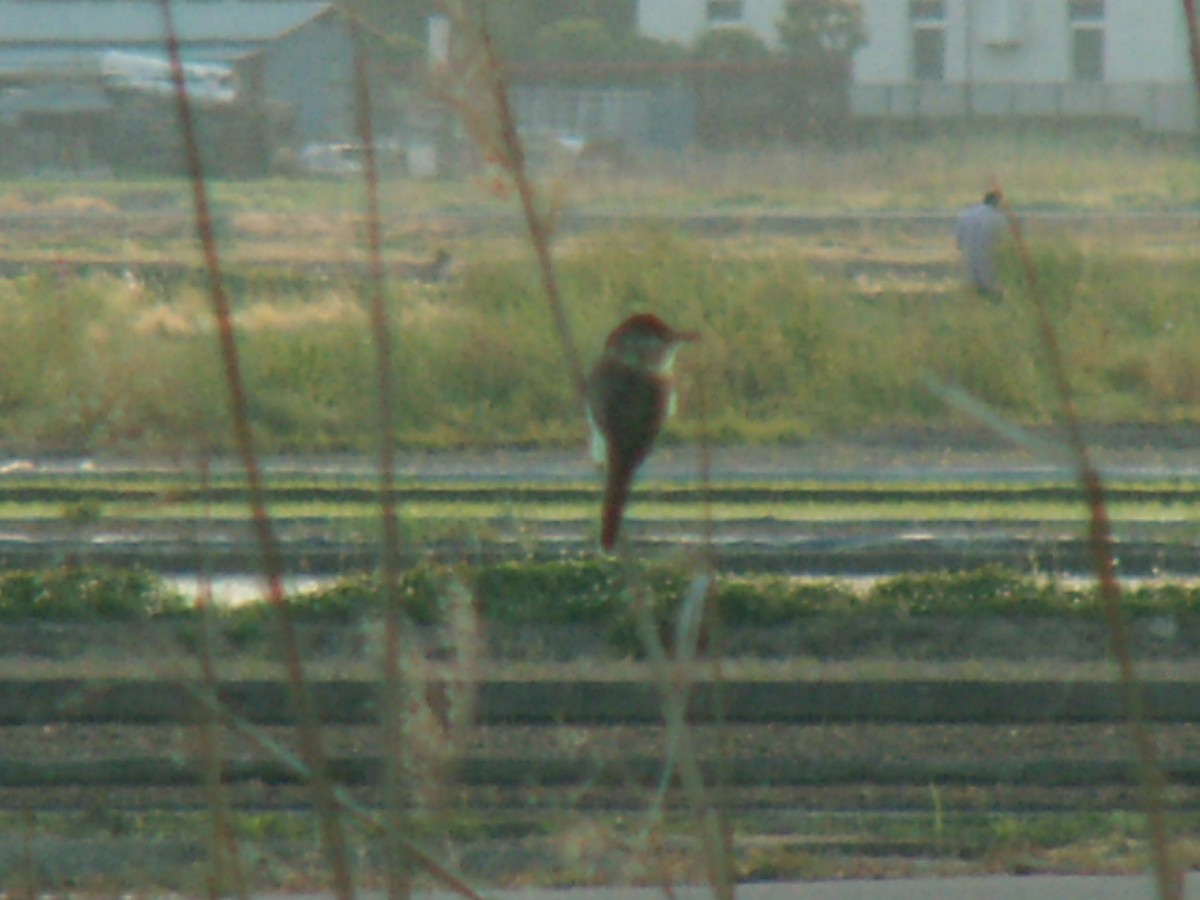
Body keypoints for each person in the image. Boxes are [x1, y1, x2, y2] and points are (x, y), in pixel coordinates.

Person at [955, 189, 1007, 299]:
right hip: (989, 269)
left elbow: (958, 244)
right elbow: (1004, 246)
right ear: (997, 202)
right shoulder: (999, 219)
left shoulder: (966, 216)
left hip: (968, 268)